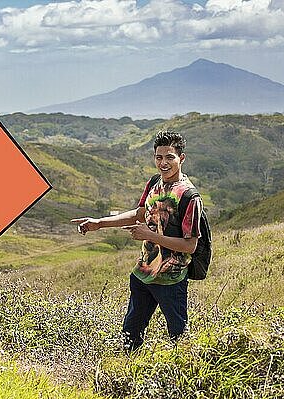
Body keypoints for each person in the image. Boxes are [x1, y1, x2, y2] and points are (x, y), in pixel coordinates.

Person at [71, 131, 203, 351]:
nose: (163, 163)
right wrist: (99, 223)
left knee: (179, 340)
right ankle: (125, 377)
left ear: (182, 158)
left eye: (170, 157)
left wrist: (150, 235)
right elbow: (140, 213)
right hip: (143, 274)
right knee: (129, 337)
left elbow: (190, 245)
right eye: (159, 157)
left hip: (171, 278)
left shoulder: (189, 197)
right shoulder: (153, 183)